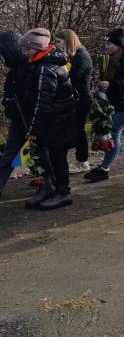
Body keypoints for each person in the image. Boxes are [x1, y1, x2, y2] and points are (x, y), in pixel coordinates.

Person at [18, 28, 77, 209]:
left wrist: (34, 129)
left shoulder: (46, 68)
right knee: (49, 156)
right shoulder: (44, 63)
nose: (25, 53)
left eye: (27, 49)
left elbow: (43, 102)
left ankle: (62, 192)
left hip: (56, 121)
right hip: (56, 119)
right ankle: (50, 187)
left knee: (57, 157)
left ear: (37, 48)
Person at [84, 28, 124, 182]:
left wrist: (111, 84)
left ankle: (104, 168)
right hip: (119, 102)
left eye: (109, 43)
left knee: (114, 133)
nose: (106, 46)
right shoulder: (115, 57)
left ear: (118, 44)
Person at [55, 30, 93, 174]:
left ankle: (82, 162)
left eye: (59, 42)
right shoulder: (73, 56)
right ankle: (80, 160)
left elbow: (74, 77)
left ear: (68, 41)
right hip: (76, 98)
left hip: (82, 99)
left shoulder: (81, 56)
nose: (57, 45)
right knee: (75, 130)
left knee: (78, 130)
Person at [0, 31, 28, 198]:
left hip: (30, 119)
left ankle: (50, 184)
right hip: (18, 118)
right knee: (10, 152)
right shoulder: (14, 69)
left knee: (39, 153)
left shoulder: (28, 67)